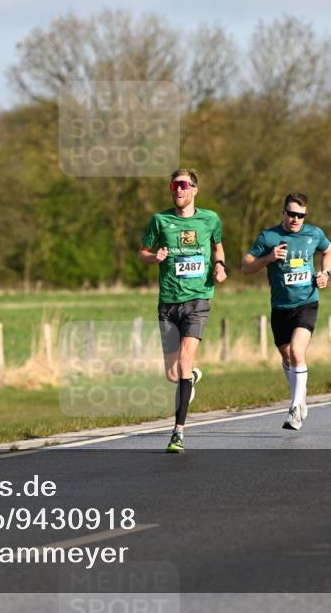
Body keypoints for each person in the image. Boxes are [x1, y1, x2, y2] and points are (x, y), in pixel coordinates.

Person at [139, 169, 227, 453]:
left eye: (183, 185)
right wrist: (155, 256)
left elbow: (218, 247)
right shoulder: (160, 220)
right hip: (168, 302)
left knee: (184, 362)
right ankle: (192, 377)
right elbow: (142, 252)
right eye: (174, 185)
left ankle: (178, 433)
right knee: (173, 374)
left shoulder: (210, 219)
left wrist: (220, 265)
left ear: (194, 190)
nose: (178, 190)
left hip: (197, 299)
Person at [242, 193, 331, 430]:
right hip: (280, 307)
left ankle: (294, 409)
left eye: (300, 215)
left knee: (297, 351)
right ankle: (300, 398)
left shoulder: (314, 234)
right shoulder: (269, 236)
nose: (295, 219)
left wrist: (325, 273)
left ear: (305, 215)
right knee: (287, 357)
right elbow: (246, 266)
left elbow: (329, 251)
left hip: (307, 302)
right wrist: (269, 258)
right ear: (283, 212)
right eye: (291, 214)